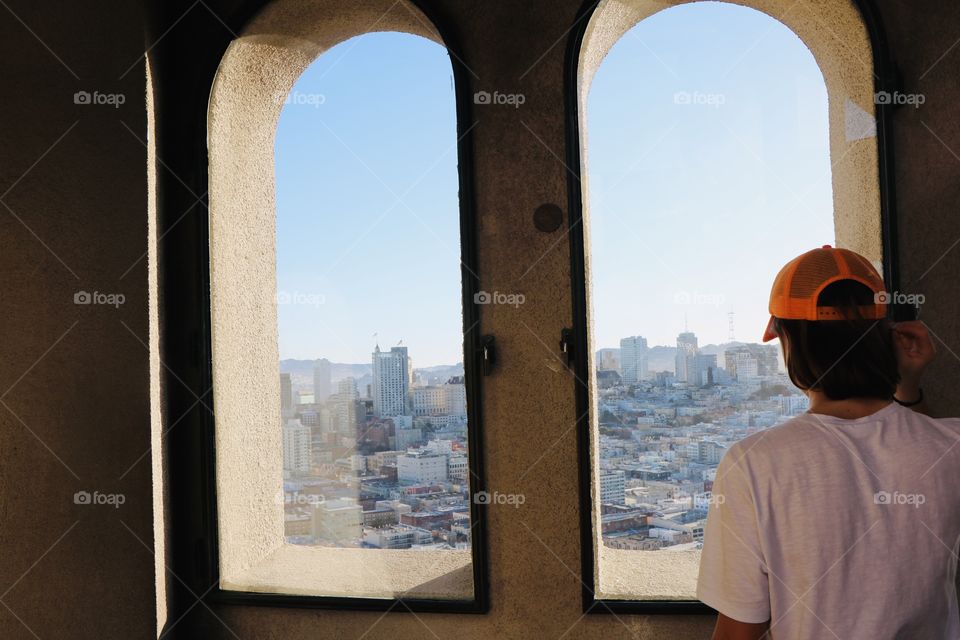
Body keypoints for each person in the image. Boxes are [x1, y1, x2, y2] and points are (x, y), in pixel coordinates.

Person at [696, 245, 958, 639]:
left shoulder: (753, 465)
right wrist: (908, 386)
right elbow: (923, 449)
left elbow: (739, 632)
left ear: (789, 343)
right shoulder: (951, 444)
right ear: (885, 337)